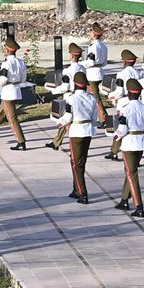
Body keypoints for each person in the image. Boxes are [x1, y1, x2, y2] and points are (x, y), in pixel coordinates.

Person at [113, 77, 144, 218]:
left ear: (129, 94)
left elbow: (122, 130)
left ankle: (139, 206)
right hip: (141, 142)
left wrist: (116, 136)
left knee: (132, 174)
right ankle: (124, 200)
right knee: (131, 171)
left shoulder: (125, 110)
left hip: (129, 144)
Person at [59, 71, 98, 204]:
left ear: (75, 84)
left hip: (76, 132)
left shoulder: (71, 98)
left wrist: (60, 122)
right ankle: (76, 189)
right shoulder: (92, 98)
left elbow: (68, 116)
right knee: (80, 162)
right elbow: (94, 117)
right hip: (88, 131)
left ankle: (83, 193)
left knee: (76, 164)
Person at [0, 36, 27, 150]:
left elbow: (3, 79)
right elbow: (23, 79)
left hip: (8, 92)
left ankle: (20, 141)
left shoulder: (6, 64)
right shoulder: (21, 62)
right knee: (1, 112)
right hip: (16, 90)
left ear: (7, 50)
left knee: (11, 118)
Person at [45, 42, 86, 151]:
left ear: (71, 56)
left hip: (69, 96)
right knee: (68, 120)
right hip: (79, 95)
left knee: (67, 120)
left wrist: (53, 90)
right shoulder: (82, 68)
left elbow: (65, 87)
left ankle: (65, 144)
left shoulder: (67, 71)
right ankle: (56, 142)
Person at [103, 50, 141, 161]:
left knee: (120, 127)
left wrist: (111, 95)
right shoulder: (138, 72)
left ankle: (114, 151)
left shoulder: (121, 74)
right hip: (136, 100)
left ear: (124, 61)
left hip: (124, 102)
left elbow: (119, 91)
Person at [85, 23, 109, 125]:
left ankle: (104, 118)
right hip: (100, 71)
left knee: (95, 97)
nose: (90, 34)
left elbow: (91, 62)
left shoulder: (93, 46)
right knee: (93, 96)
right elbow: (105, 62)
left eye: (91, 32)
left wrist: (80, 64)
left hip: (92, 74)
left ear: (94, 34)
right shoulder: (103, 46)